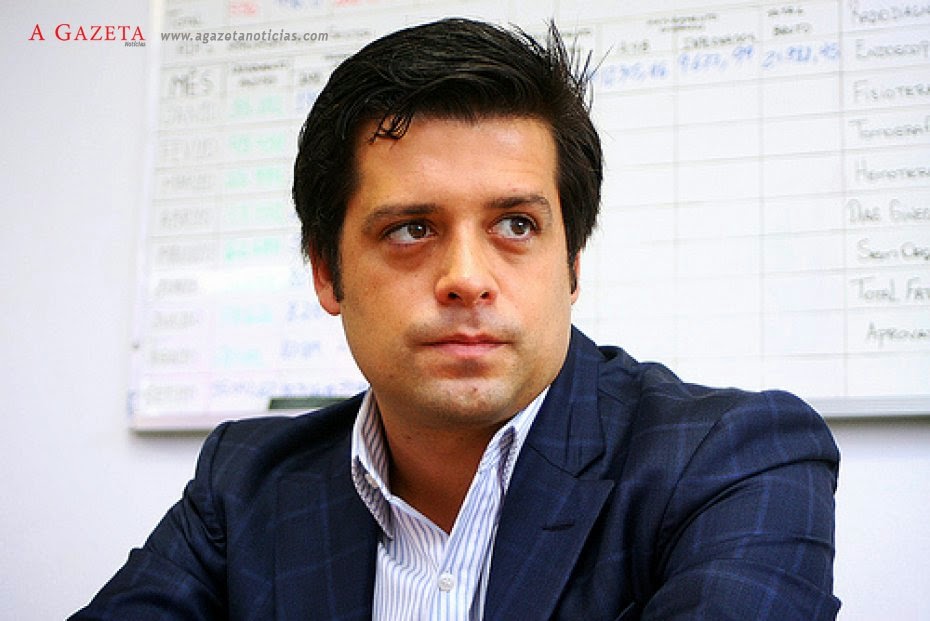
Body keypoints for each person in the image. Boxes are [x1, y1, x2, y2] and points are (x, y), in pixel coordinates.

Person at [72, 18, 840, 620]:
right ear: (326, 271)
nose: (467, 278)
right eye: (411, 228)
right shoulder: (244, 484)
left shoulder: (732, 462)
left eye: (515, 225)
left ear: (572, 266)